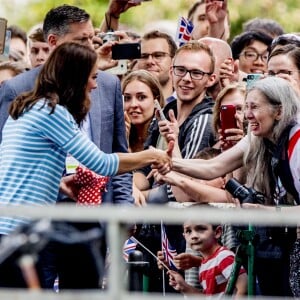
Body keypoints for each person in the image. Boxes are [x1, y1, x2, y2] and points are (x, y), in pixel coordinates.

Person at [0, 41, 172, 288]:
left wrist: (56, 183)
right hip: (20, 230)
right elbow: (101, 162)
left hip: (12, 228)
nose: (95, 84)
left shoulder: (31, 106)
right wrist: (152, 156)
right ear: (75, 79)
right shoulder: (53, 112)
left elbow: (18, 167)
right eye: (92, 77)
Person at [0, 4, 134, 290]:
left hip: (91, 217)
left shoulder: (107, 84)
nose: (92, 45)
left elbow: (117, 147)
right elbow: (105, 162)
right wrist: (157, 156)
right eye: (81, 40)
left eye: (92, 38)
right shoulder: (20, 92)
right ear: (53, 43)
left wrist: (124, 210)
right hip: (32, 225)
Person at [164, 76, 300, 296]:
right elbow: (213, 167)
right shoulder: (258, 136)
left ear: (279, 111)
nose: (246, 115)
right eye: (246, 107)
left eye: (254, 107)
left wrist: (266, 211)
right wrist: (165, 161)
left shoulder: (298, 144)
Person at [157, 219, 247, 297]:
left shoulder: (223, 256)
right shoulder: (205, 263)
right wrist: (184, 286)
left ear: (217, 232)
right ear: (184, 236)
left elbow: (244, 286)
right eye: (188, 231)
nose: (194, 236)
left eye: (201, 229)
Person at [122, 69, 164, 153]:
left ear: (156, 100)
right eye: (127, 98)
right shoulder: (117, 135)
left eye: (141, 97)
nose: (133, 104)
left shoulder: (165, 135)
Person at [136, 30, 177, 103]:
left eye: (158, 55)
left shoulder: (188, 105)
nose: (150, 61)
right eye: (144, 56)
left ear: (174, 61)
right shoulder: (124, 106)